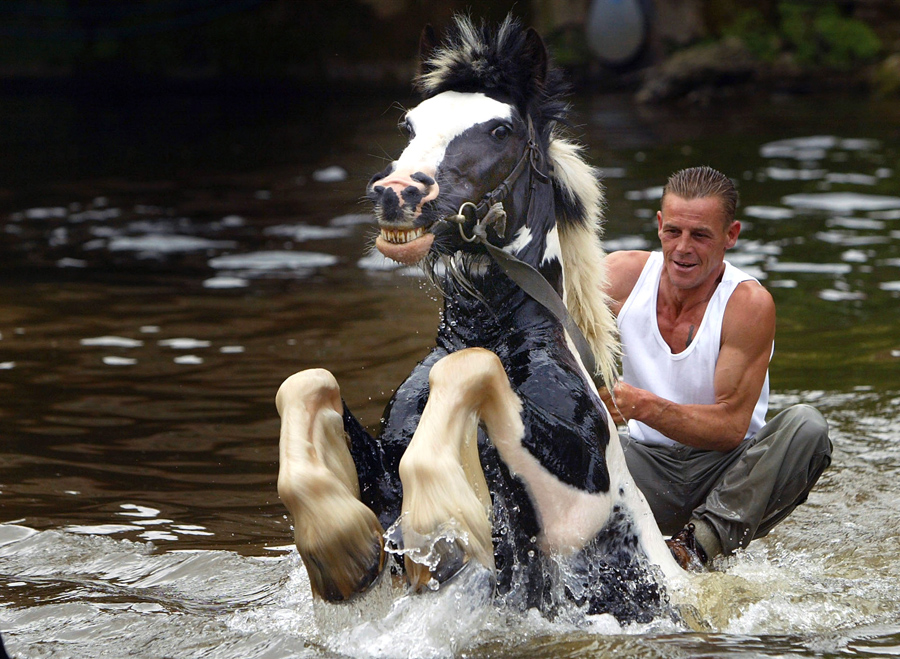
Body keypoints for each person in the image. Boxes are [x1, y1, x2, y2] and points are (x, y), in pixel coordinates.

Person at [599, 166, 833, 571]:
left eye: (700, 235)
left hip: (731, 476)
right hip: (646, 467)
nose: (683, 248)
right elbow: (550, 344)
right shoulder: (619, 278)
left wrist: (641, 406)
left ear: (731, 235)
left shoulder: (748, 304)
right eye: (673, 231)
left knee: (808, 428)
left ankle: (697, 546)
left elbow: (729, 429)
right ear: (658, 225)